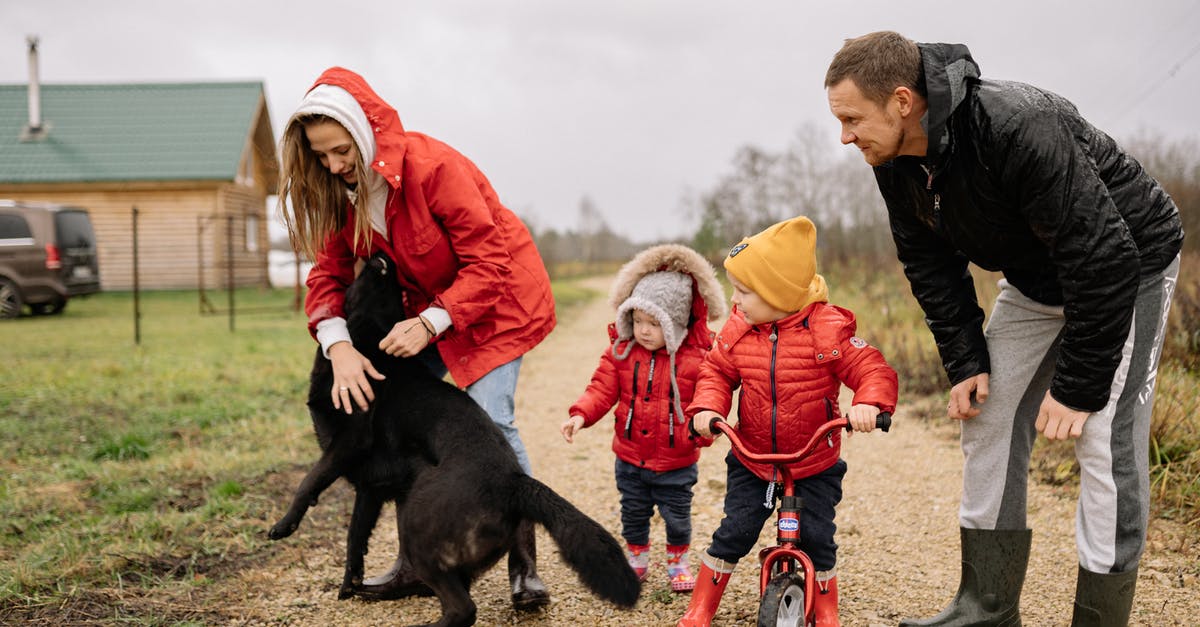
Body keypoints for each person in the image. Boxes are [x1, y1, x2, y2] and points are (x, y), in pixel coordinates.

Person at [825, 31, 1184, 626]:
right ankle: (986, 606)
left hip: (1129, 265)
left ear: (902, 101)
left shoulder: (1017, 125)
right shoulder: (892, 160)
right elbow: (929, 263)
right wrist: (966, 359)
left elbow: (1102, 256)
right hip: (1036, 278)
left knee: (1101, 438)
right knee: (985, 414)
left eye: (852, 118)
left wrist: (1078, 386)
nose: (845, 136)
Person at [277, 67, 558, 610]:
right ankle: (414, 560)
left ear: (363, 134)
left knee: (490, 419)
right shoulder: (346, 195)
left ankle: (524, 563)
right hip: (424, 311)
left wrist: (433, 322)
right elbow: (327, 277)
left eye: (340, 151)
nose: (334, 166)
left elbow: (488, 262)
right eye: (321, 156)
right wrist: (338, 347)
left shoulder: (435, 169)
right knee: (398, 422)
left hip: (498, 302)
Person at [676, 216, 898, 627]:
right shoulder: (740, 330)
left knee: (816, 538)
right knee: (736, 530)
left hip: (813, 461)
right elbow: (716, 373)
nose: (735, 300)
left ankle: (826, 609)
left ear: (777, 292)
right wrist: (708, 410)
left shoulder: (827, 331)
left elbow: (871, 368)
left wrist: (869, 402)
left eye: (744, 291)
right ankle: (701, 607)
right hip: (753, 459)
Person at [561, 244, 726, 594]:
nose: (644, 331)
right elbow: (600, 389)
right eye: (637, 321)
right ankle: (636, 556)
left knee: (677, 517)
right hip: (630, 456)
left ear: (677, 324)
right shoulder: (622, 353)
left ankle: (677, 558)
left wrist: (703, 431)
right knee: (633, 513)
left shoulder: (697, 361)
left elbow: (707, 401)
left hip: (676, 461)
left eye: (655, 323)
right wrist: (580, 415)